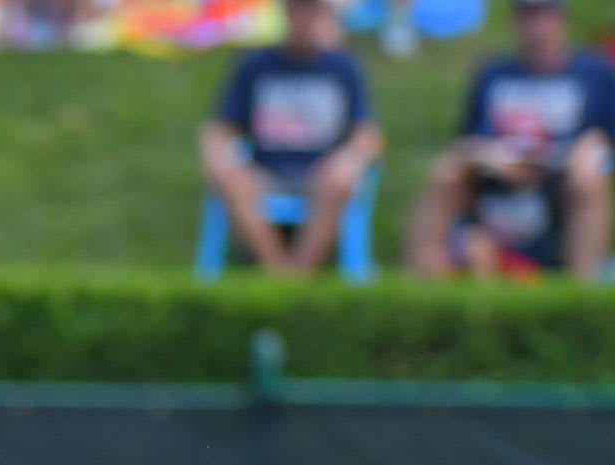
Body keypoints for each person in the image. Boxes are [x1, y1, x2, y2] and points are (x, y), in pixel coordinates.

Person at [405, 0, 615, 280]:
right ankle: (421, 280)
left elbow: (605, 138)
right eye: (527, 15)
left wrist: (592, 147)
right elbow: (465, 140)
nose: (536, 26)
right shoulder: (493, 73)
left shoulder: (594, 73)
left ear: (560, 19)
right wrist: (489, 155)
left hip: (560, 180)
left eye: (544, 14)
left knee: (588, 178)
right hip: (496, 175)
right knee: (446, 172)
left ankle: (582, 286)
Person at [199, 0, 383, 274]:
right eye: (298, 7)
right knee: (229, 176)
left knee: (340, 179)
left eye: (311, 8)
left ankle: (298, 273)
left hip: (320, 173)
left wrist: (348, 159)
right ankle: (278, 271)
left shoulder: (342, 66)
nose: (303, 16)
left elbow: (367, 133)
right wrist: (218, 155)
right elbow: (220, 127)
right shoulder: (255, 64)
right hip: (265, 171)